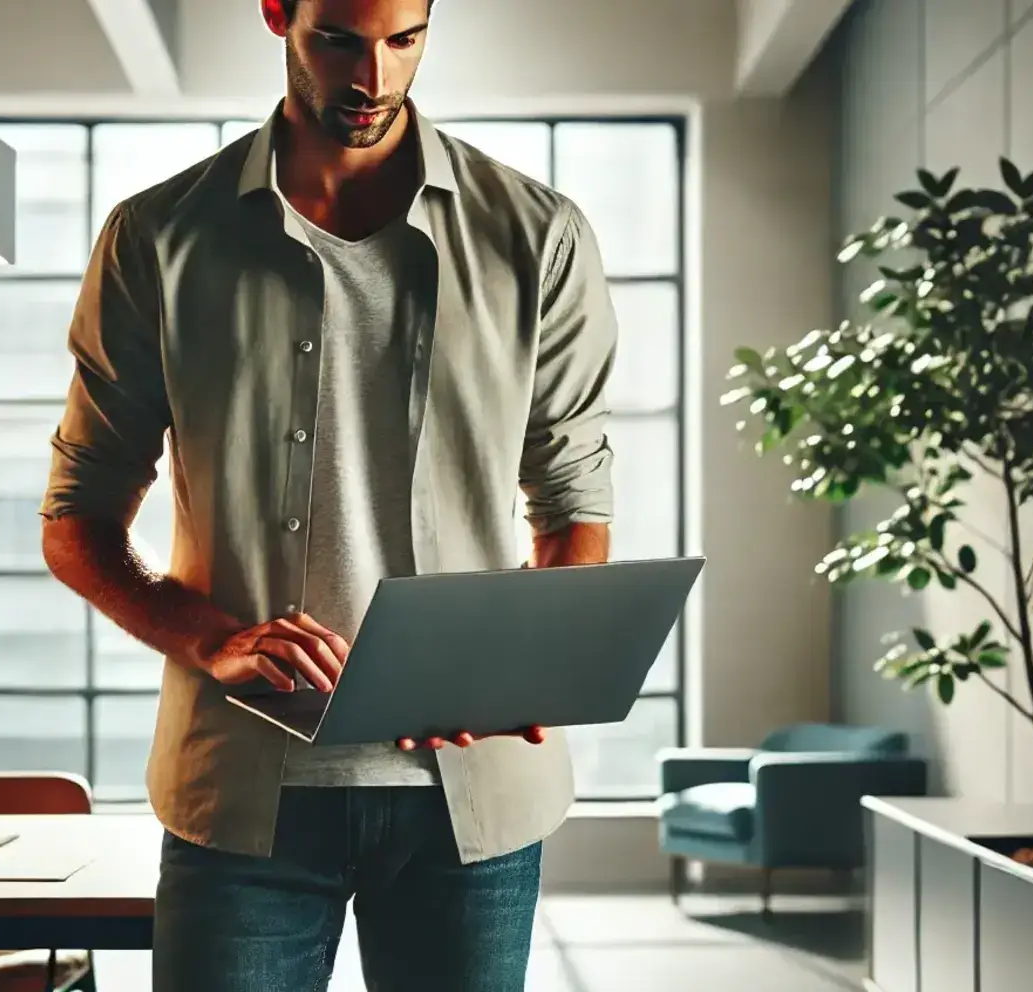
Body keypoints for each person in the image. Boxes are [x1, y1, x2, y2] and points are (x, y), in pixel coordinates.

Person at [39, 0, 616, 989]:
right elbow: (75, 521)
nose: (374, 79)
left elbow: (573, 511)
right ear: (278, 12)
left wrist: (515, 659)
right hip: (239, 790)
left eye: (404, 41)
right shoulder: (158, 237)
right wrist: (208, 637)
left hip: (472, 806)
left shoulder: (539, 237)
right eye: (341, 40)